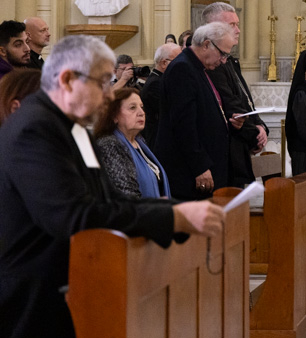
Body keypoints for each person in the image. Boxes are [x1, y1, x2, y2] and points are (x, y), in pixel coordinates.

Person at [0, 34, 224, 338]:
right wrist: (171, 218)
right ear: (67, 80)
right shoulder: (34, 128)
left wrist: (179, 209)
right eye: (104, 81)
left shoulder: (71, 127)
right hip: (34, 296)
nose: (109, 95)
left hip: (72, 285)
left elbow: (109, 198)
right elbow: (73, 215)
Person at [155, 22, 242, 200]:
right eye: (223, 53)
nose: (224, 60)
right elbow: (183, 125)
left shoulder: (198, 67)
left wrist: (229, 122)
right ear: (206, 44)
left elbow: (204, 115)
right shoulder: (183, 68)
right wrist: (200, 166)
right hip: (189, 174)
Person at [202, 2, 268, 187]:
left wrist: (260, 125)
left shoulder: (230, 60)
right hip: (226, 155)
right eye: (232, 25)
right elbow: (230, 106)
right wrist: (255, 133)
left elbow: (246, 102)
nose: (238, 30)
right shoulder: (212, 64)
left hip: (238, 151)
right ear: (213, 27)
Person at [94, 88, 171, 199]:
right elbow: (125, 194)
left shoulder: (140, 142)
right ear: (114, 116)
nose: (141, 113)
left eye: (141, 107)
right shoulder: (110, 144)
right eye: (132, 108)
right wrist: (157, 208)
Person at [141, 43, 182, 147]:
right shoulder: (155, 83)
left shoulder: (162, 80)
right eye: (178, 61)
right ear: (164, 63)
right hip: (159, 141)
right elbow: (172, 110)